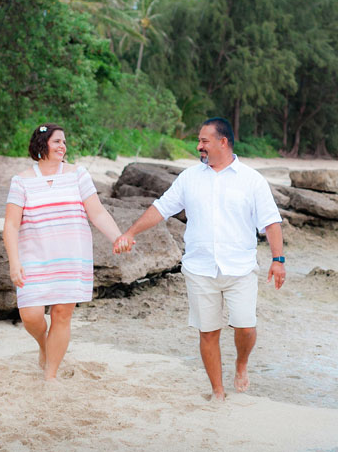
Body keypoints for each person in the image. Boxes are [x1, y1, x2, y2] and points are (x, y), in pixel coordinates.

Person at [113, 117, 285, 401]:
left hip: (240, 267)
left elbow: (271, 222)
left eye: (204, 141)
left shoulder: (252, 180)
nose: (199, 146)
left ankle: (241, 363)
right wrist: (131, 232)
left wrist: (278, 259)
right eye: (199, 140)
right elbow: (161, 208)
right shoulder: (189, 178)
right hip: (199, 268)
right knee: (208, 332)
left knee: (245, 326)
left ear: (223, 142)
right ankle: (218, 392)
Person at [2, 124, 132, 380]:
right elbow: (10, 225)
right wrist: (13, 262)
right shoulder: (22, 181)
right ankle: (43, 344)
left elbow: (97, 212)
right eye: (57, 141)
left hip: (71, 257)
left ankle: (50, 375)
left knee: (62, 315)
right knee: (30, 315)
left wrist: (117, 236)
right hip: (34, 258)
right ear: (42, 145)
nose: (63, 146)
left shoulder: (77, 175)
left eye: (64, 142)